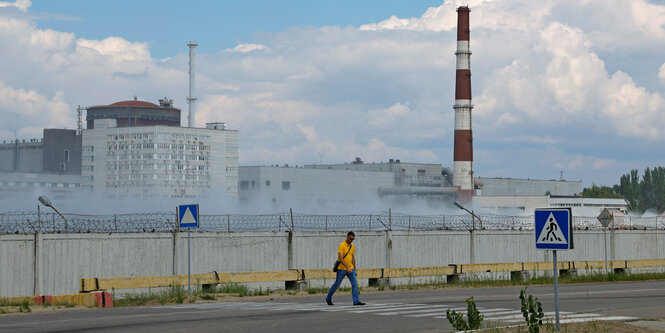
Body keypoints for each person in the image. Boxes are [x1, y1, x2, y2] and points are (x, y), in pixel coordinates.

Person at [325, 231, 365, 306]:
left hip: (351, 269)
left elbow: (353, 258)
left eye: (353, 239)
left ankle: (356, 301)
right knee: (337, 284)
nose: (351, 240)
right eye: (350, 239)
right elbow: (340, 258)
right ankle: (328, 298)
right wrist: (347, 268)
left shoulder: (352, 246)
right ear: (347, 237)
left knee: (355, 284)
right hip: (342, 269)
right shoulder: (342, 245)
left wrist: (355, 269)